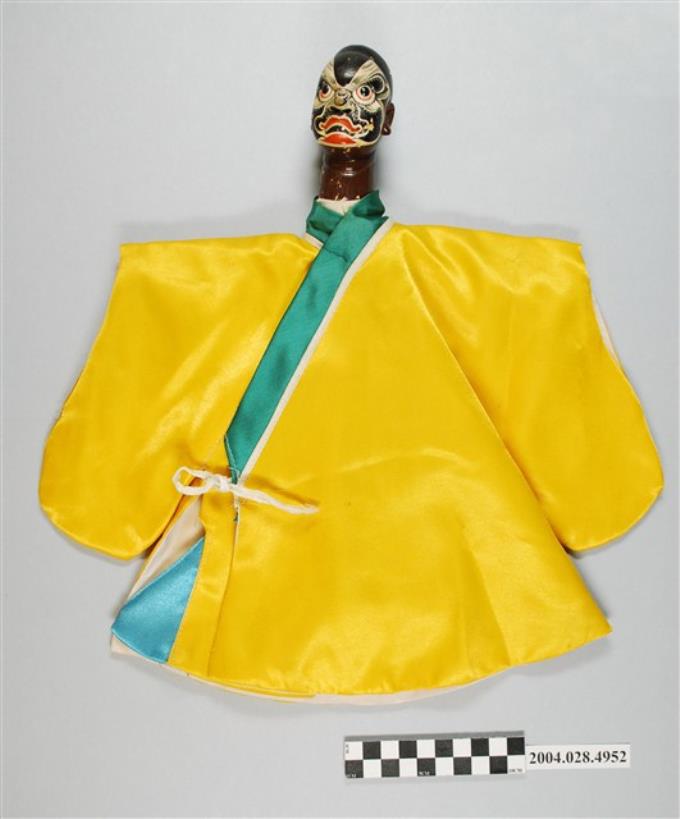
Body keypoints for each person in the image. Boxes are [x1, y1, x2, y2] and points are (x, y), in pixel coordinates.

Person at [38, 44, 664, 704]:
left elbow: (526, 307)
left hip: (430, 539)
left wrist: (548, 284)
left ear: (388, 119)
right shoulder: (230, 275)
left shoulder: (443, 271)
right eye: (329, 92)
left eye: (366, 93)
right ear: (312, 112)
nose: (343, 106)